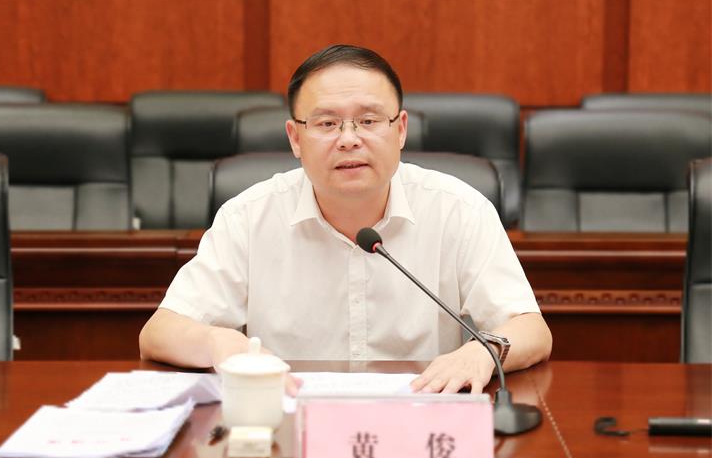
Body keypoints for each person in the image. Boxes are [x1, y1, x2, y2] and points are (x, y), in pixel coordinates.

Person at [139, 44, 552, 395]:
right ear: (295, 138)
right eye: (327, 123)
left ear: (401, 130)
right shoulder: (248, 217)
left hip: (417, 425)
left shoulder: (458, 210)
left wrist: (483, 351)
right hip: (289, 430)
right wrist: (218, 342)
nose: (349, 139)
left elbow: (531, 329)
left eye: (369, 121)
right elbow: (158, 333)